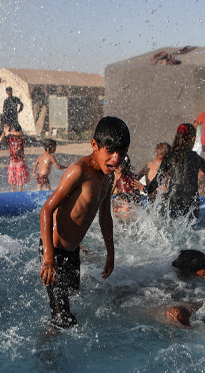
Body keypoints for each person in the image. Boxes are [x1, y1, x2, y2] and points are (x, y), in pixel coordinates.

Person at [39, 116, 130, 328]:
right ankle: (46, 354)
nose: (116, 158)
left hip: (72, 252)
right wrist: (48, 257)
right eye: (110, 151)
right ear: (94, 145)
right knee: (62, 319)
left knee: (75, 299)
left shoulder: (107, 179)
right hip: (55, 250)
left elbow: (105, 218)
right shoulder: (78, 171)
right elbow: (46, 210)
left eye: (122, 153)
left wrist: (111, 253)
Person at [144, 123, 205, 218]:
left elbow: (158, 179)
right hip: (191, 204)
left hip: (173, 202)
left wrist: (146, 189)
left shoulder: (168, 157)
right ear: (193, 139)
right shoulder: (197, 158)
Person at [0, 123, 30, 192]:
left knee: (20, 176)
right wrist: (4, 133)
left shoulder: (21, 139)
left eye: (13, 131)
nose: (12, 134)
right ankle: (13, 191)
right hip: (12, 161)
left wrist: (9, 132)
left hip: (20, 161)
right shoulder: (11, 139)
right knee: (12, 176)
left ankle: (20, 191)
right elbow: (0, 140)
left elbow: (20, 134)